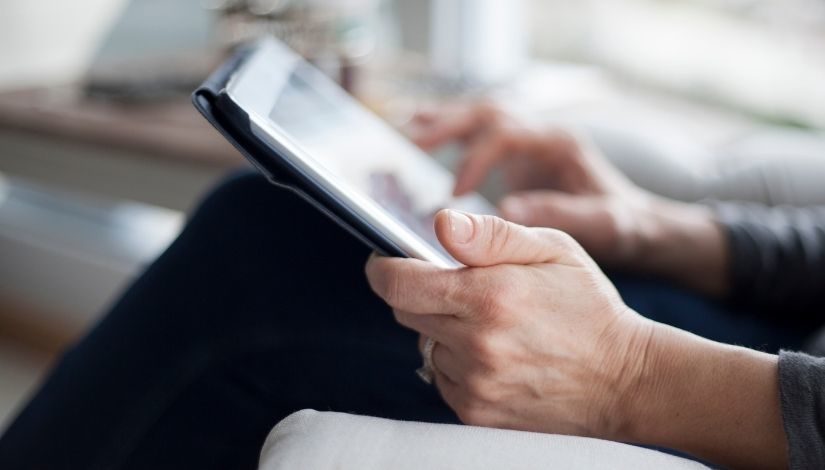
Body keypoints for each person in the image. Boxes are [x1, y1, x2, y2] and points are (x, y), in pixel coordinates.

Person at [1, 102, 824, 470]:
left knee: (258, 270)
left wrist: (625, 374)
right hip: (778, 331)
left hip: (761, 408)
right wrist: (645, 225)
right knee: (278, 225)